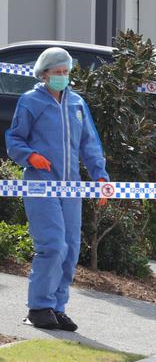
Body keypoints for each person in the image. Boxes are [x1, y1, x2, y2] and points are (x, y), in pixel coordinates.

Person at [5, 47, 109, 332]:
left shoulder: (76, 103)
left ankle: (57, 308)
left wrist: (100, 177)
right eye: (57, 72)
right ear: (44, 73)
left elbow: (90, 143)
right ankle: (39, 307)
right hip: (40, 185)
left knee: (71, 248)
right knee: (53, 246)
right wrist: (30, 156)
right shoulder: (30, 101)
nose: (63, 77)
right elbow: (14, 139)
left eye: (66, 72)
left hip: (71, 187)